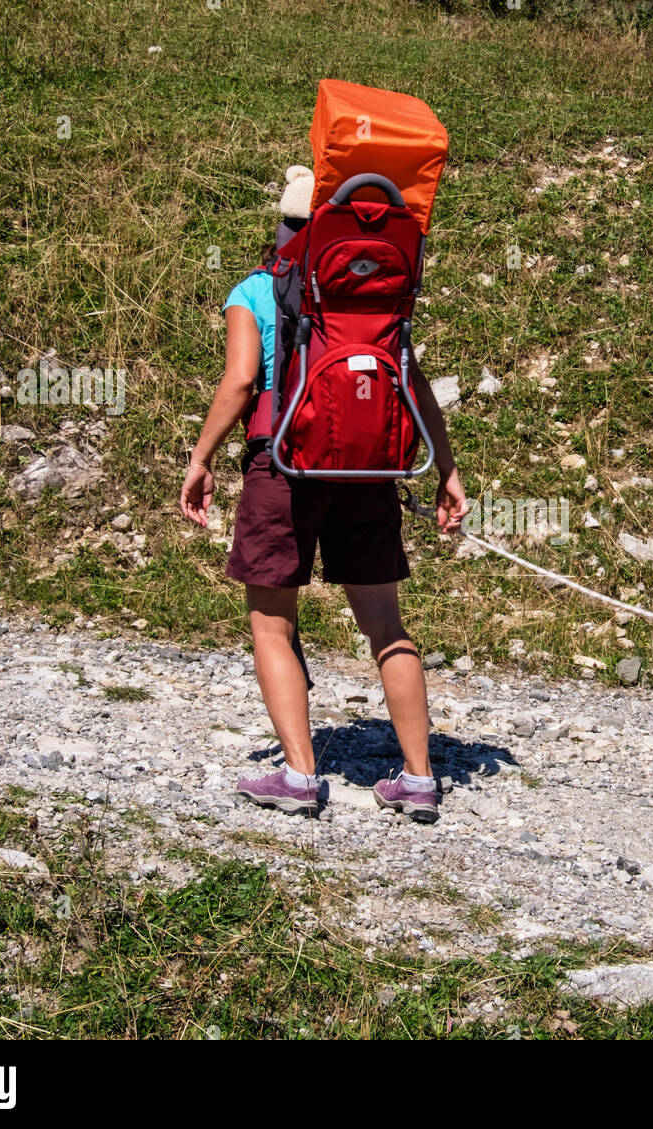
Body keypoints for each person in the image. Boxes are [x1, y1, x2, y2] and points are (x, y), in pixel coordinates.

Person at [179, 204, 467, 825]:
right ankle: (418, 779)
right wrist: (446, 469)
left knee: (272, 623)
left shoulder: (256, 289)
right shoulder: (379, 294)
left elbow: (238, 382)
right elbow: (413, 385)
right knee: (386, 625)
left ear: (281, 227)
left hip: (285, 466)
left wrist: (200, 459)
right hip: (369, 471)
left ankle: (300, 775)